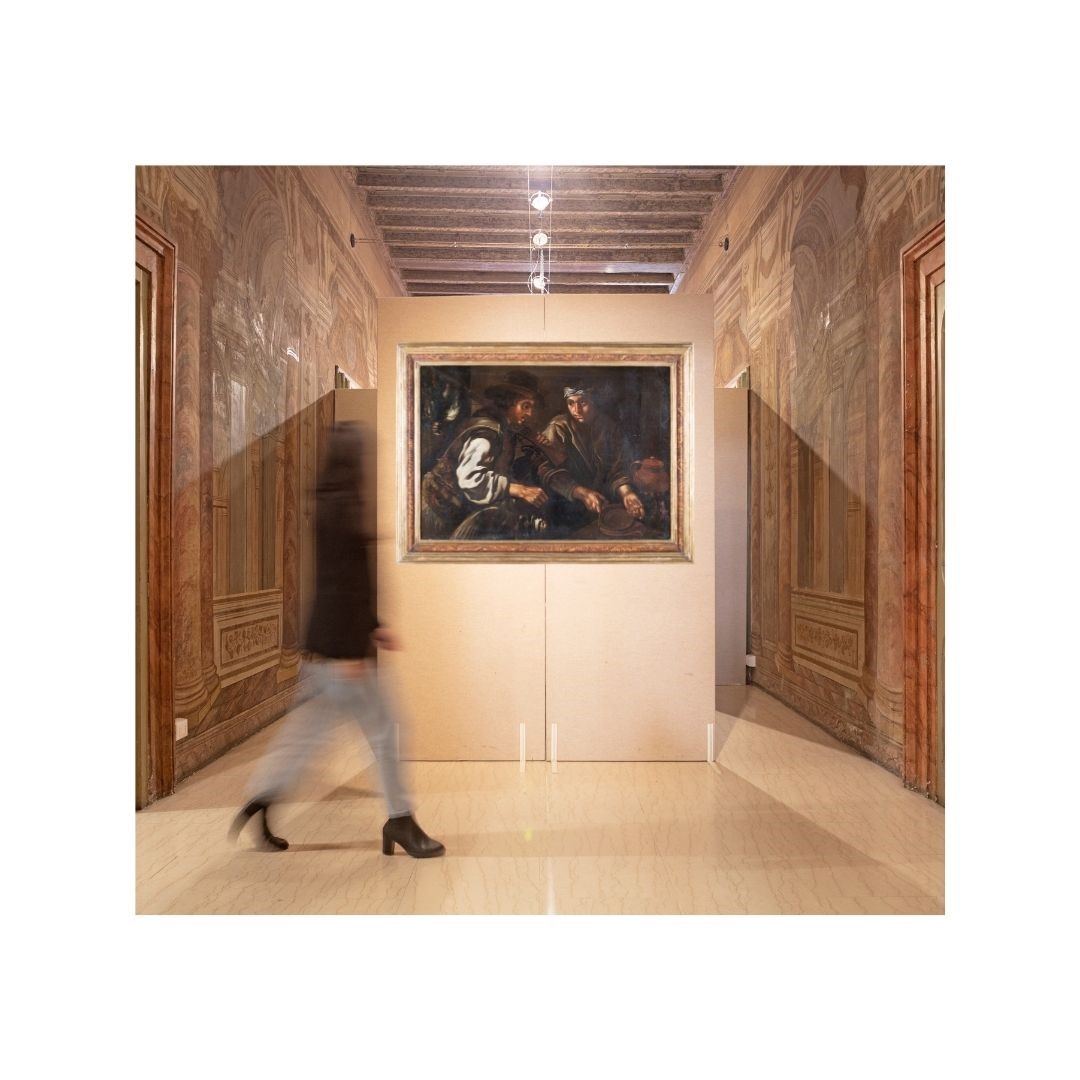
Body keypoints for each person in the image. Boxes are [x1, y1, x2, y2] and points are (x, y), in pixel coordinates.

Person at [229, 422, 444, 858]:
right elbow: (342, 584)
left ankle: (261, 800)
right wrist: (352, 650)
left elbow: (346, 581)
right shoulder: (345, 509)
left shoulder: (329, 504)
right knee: (387, 731)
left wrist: (375, 624)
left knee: (306, 737)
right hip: (342, 653)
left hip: (324, 647)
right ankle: (400, 820)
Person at [420, 370, 550, 540]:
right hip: (438, 510)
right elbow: (471, 478)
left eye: (533, 407)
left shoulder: (504, 430)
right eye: (525, 406)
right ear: (508, 402)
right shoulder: (487, 433)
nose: (530, 414)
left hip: (454, 508)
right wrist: (520, 490)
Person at [538, 386, 645, 535]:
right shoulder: (557, 428)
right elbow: (546, 470)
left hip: (602, 505)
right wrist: (581, 492)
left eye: (583, 402)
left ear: (595, 401)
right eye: (571, 403)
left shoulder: (609, 427)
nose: (576, 410)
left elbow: (617, 468)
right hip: (567, 508)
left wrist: (627, 493)